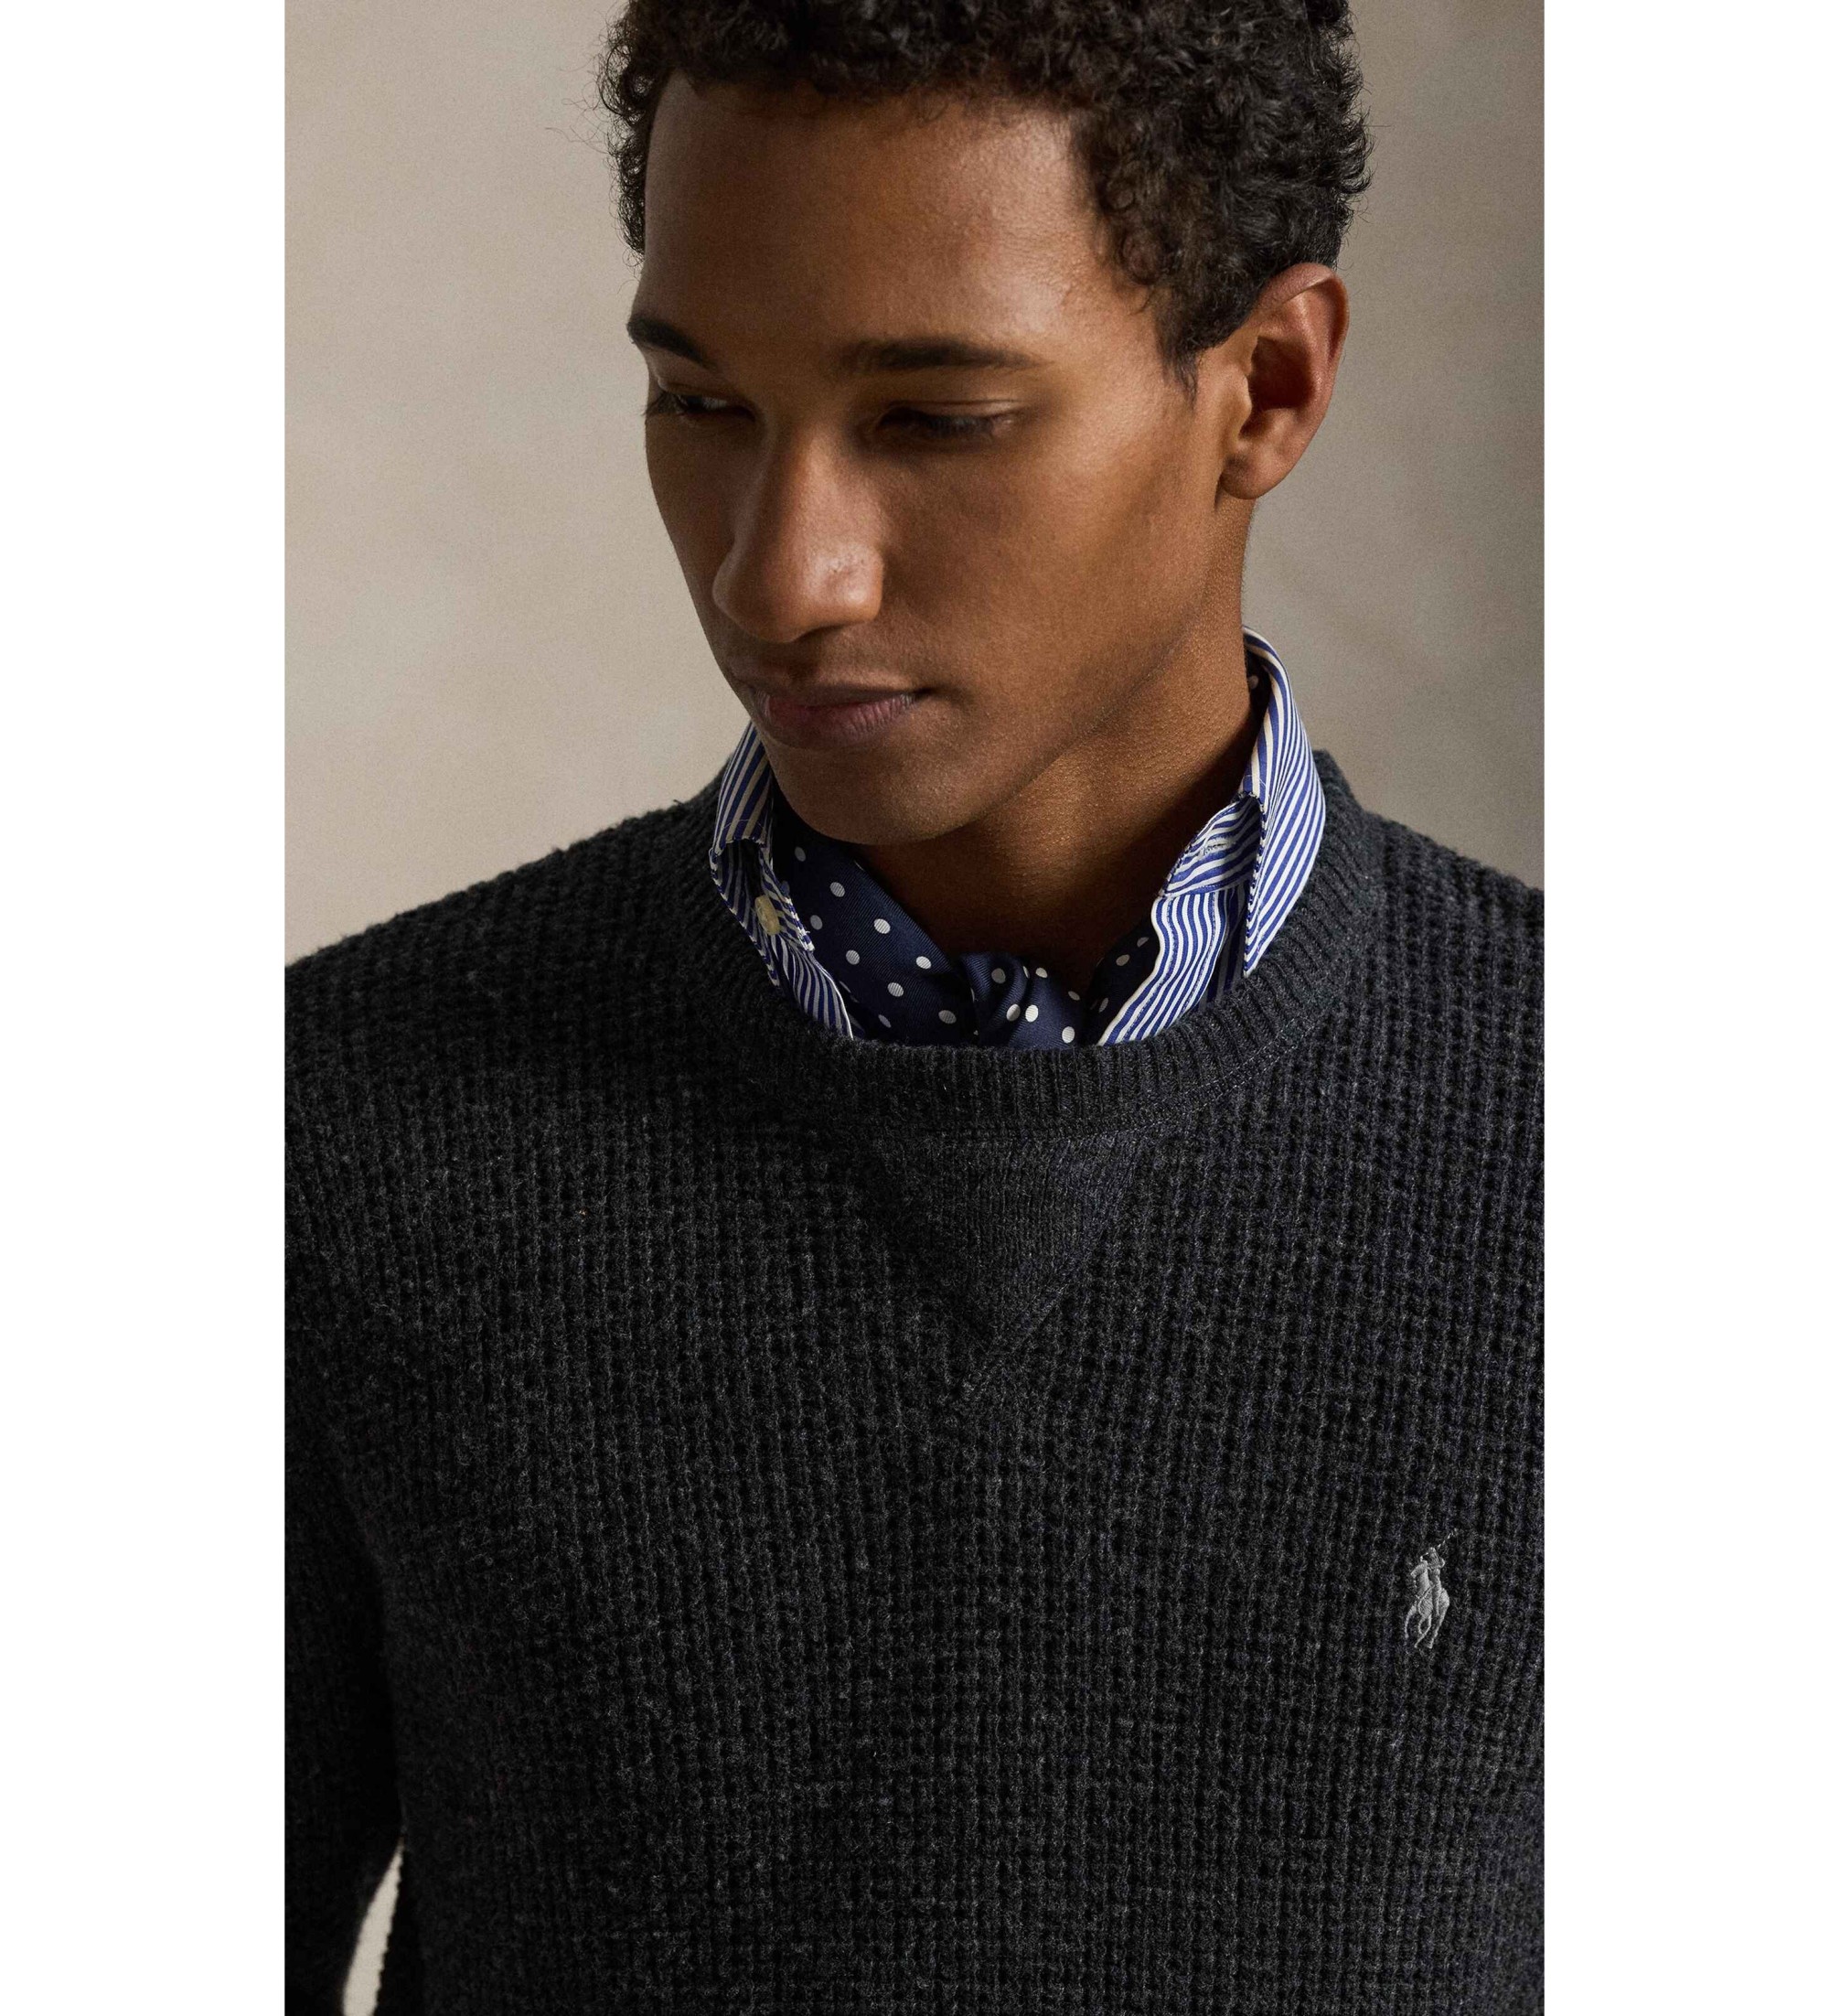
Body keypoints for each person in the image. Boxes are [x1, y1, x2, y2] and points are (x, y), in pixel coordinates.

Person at [286, 3, 1543, 2009]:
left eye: (938, 418)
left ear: (1268, 388)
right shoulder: (322, 1134)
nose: (781, 577)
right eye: (703, 403)